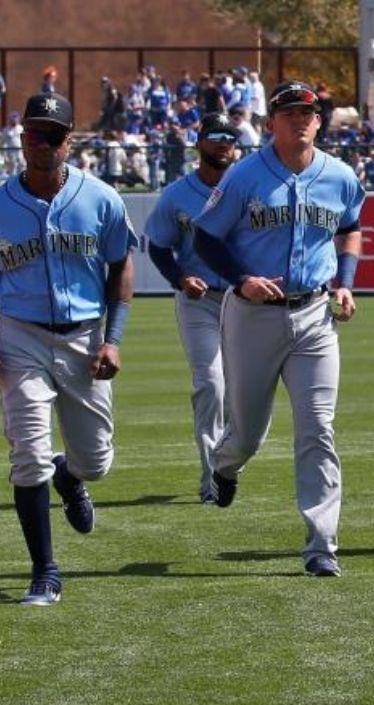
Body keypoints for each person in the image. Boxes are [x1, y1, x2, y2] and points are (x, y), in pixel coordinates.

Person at [193, 81, 366, 577]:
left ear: (319, 121)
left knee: (318, 428)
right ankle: (224, 465)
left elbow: (350, 228)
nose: (299, 120)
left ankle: (322, 543)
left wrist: (346, 283)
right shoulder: (245, 175)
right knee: (248, 433)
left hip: (314, 316)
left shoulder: (339, 175)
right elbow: (205, 237)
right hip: (253, 314)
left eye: (307, 112)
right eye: (289, 112)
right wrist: (240, 280)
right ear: (271, 123)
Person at [0, 92, 137, 605]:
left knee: (95, 461)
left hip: (84, 335)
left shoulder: (100, 198)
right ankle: (45, 571)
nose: (42, 143)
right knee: (28, 456)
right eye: (34, 133)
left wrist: (113, 339)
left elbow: (121, 265)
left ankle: (70, 475)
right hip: (18, 335)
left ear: (69, 142)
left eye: (53, 135)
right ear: (22, 140)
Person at [143, 113, 239, 504]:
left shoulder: (248, 186)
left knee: (240, 392)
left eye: (230, 136)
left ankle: (229, 464)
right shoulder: (177, 194)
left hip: (244, 300)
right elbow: (158, 246)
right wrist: (180, 278)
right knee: (211, 383)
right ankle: (211, 476)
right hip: (198, 301)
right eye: (215, 135)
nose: (223, 142)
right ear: (199, 142)